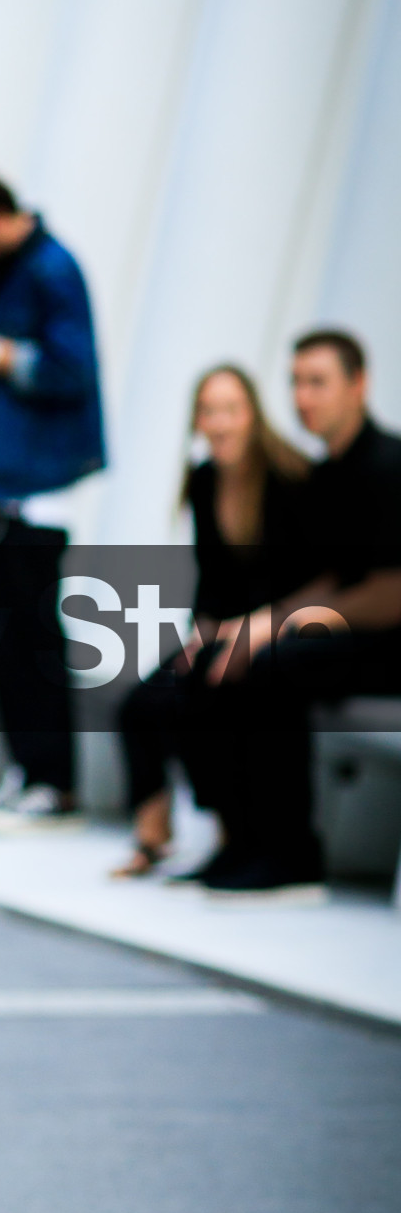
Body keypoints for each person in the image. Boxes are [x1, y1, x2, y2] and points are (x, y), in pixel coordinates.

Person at [192, 330, 401, 893]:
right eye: (295, 383)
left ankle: (292, 856)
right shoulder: (328, 474)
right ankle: (244, 841)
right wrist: (255, 625)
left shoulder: (389, 465)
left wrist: (277, 625)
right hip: (349, 636)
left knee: (272, 665)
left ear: (359, 385)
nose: (303, 398)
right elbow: (328, 581)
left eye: (318, 383)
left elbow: (388, 595)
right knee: (224, 658)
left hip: (389, 643)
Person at [0, 165, 106, 823]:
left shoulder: (52, 270)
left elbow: (71, 370)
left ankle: (52, 782)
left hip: (33, 492)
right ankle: (28, 771)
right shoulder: (14, 272)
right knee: (4, 636)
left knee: (32, 636)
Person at [112, 366, 309, 877]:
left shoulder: (287, 478)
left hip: (279, 629)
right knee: (139, 704)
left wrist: (242, 632)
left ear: (252, 416)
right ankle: (153, 836)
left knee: (205, 694)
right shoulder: (203, 480)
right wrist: (201, 635)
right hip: (221, 629)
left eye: (230, 410)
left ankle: (232, 836)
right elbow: (210, 579)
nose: (218, 423)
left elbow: (300, 583)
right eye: (208, 411)